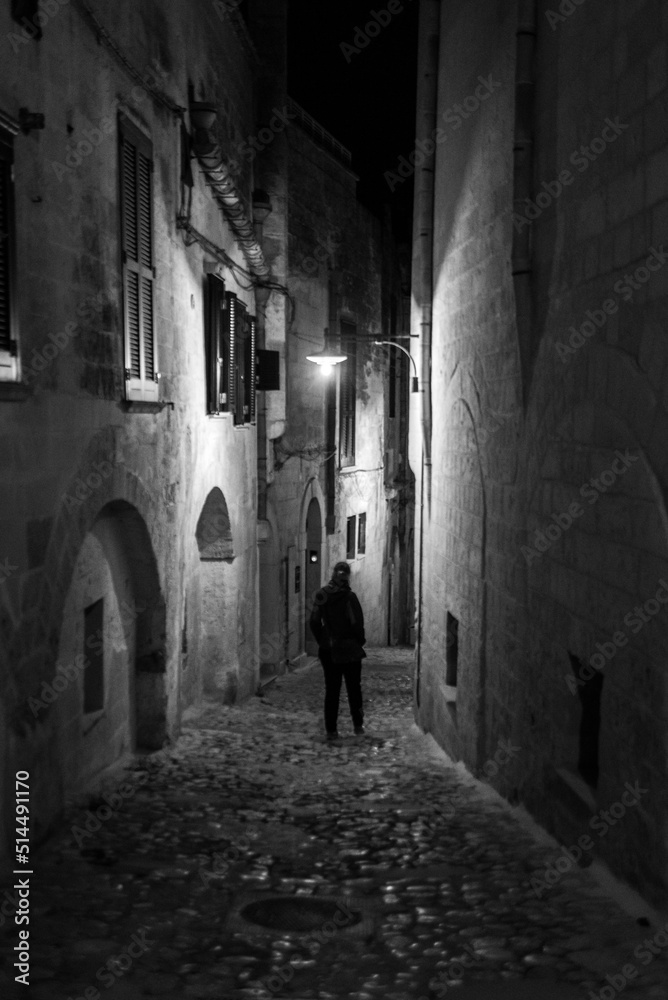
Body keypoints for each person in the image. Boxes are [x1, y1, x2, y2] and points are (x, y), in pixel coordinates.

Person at [309, 561, 367, 740]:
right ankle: (357, 725)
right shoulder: (350, 598)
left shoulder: (322, 595)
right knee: (354, 689)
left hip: (329, 649)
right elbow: (356, 623)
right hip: (349, 650)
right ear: (347, 577)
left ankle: (331, 729)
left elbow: (314, 621)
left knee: (332, 690)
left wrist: (323, 640)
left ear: (333, 574)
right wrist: (358, 641)